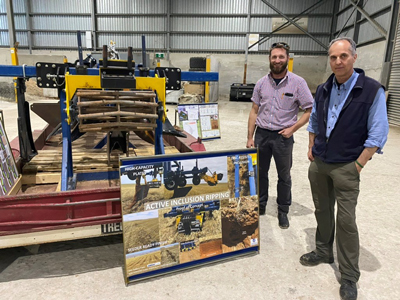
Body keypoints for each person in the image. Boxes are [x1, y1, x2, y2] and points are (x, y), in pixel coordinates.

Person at [300, 37, 389, 300]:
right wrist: (311, 146)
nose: (338, 62)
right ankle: (322, 251)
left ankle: (349, 275)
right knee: (322, 210)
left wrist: (359, 163)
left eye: (343, 56)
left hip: (347, 166)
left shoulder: (372, 90)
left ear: (354, 57)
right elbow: (315, 119)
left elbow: (379, 132)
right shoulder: (324, 88)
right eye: (333, 57)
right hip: (321, 163)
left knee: (346, 221)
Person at [246, 42, 313, 229]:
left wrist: (293, 128)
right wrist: (250, 137)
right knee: (260, 173)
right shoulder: (261, 83)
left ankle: (283, 211)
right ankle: (260, 205)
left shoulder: (298, 83)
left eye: (281, 57)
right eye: (274, 57)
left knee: (284, 175)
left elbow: (309, 109)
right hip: (262, 135)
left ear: (287, 59)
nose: (277, 60)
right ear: (269, 59)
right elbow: (254, 110)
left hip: (283, 137)